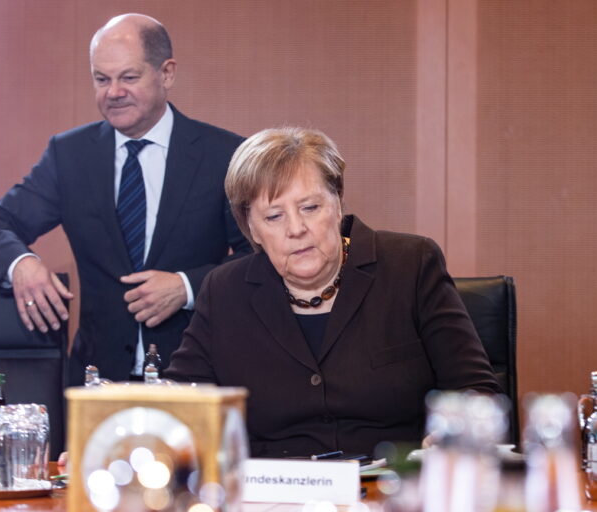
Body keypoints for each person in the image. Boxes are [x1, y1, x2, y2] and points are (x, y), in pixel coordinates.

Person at [164, 127, 501, 458]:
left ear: (338, 203)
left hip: (390, 486)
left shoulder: (409, 265)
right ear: (251, 227)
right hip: (274, 490)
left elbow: (476, 392)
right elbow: (179, 403)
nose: (296, 229)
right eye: (274, 216)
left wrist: (447, 442)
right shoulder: (226, 290)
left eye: (310, 208)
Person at [0, 14, 250, 383]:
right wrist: (22, 264)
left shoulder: (225, 155)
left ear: (166, 73)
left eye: (128, 77)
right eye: (102, 79)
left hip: (195, 377)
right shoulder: (69, 155)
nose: (113, 92)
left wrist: (186, 286)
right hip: (95, 382)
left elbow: (258, 258)